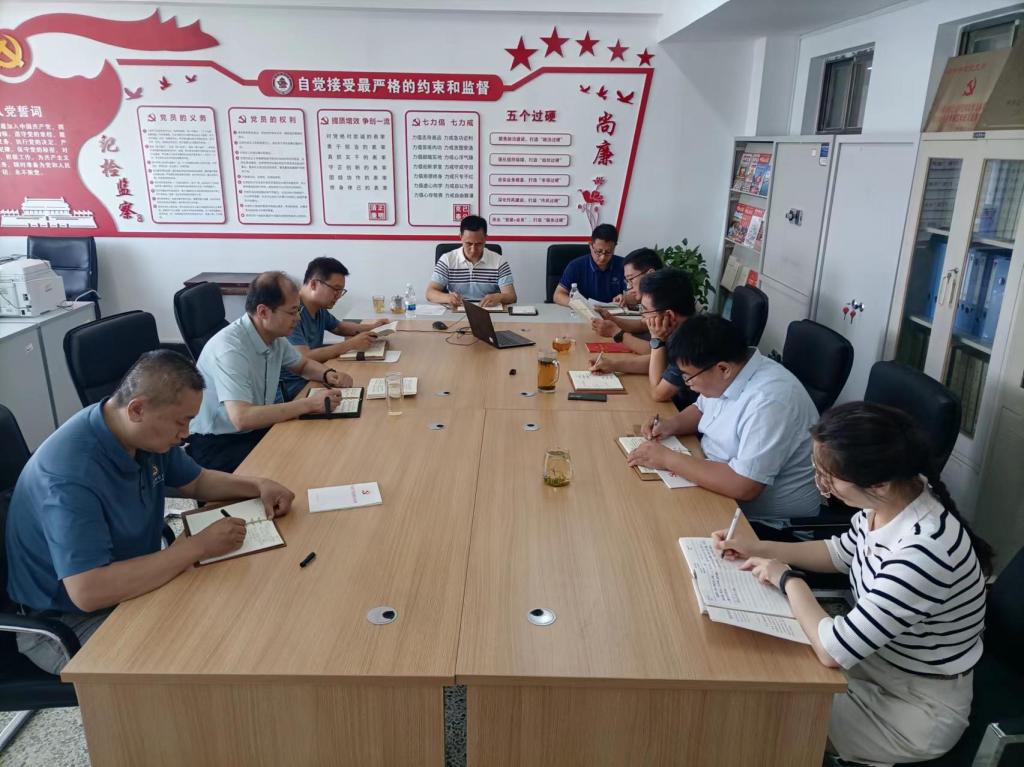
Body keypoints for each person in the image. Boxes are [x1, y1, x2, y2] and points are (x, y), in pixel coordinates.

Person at [714, 402, 992, 767]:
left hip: (910, 709)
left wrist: (788, 579)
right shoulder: (892, 501)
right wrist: (758, 547)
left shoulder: (923, 552)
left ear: (878, 483)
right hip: (873, 663)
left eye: (828, 477)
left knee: (758, 715)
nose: (822, 484)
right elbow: (840, 552)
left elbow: (833, 650)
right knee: (751, 674)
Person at [5, 350, 296, 674]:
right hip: (69, 622)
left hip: (130, 580)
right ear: (137, 409)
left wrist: (257, 485)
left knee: (238, 615)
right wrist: (196, 547)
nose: (186, 433)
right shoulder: (69, 475)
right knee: (202, 662)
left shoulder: (138, 433)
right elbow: (88, 591)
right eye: (181, 421)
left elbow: (196, 481)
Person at [628, 313, 821, 519]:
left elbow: (744, 485)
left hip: (755, 518)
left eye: (689, 377)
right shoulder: (734, 370)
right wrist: (670, 425)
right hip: (712, 472)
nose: (687, 384)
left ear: (723, 369)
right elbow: (702, 408)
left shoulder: (770, 402)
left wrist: (667, 458)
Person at [188, 271, 354, 473]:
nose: (298, 318)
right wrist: (309, 404)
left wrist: (328, 374)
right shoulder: (230, 350)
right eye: (292, 312)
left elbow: (302, 365)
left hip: (254, 428)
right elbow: (242, 418)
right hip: (218, 443)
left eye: (298, 310)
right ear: (263, 311)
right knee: (298, 466)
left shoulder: (273, 336)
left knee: (317, 446)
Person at [280, 257, 389, 401]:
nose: (338, 296)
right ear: (314, 284)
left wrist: (373, 327)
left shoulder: (318, 308)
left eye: (341, 291)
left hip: (316, 376)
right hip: (296, 388)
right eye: (336, 289)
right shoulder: (292, 312)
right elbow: (304, 357)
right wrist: (350, 344)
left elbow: (339, 327)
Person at [590, 267, 696, 407]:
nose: (643, 318)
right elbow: (661, 361)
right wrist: (614, 365)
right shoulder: (681, 328)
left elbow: (658, 393)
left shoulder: (691, 343)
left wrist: (657, 340)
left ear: (669, 315)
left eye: (645, 311)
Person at [426, 215, 516, 308]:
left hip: (488, 310)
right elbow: (430, 293)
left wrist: (499, 297)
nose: (473, 250)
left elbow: (512, 296)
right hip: (457, 310)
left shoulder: (499, 261)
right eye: (468, 243)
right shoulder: (447, 259)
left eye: (478, 244)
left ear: (485, 238)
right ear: (460, 237)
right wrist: (447, 297)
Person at [590, 247, 662, 353]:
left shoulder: (666, 302)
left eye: (631, 279)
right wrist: (610, 318)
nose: (628, 287)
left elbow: (657, 352)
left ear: (650, 274)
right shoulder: (653, 297)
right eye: (627, 281)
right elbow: (643, 325)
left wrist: (617, 333)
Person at [552, 223, 626, 305]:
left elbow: (635, 295)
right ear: (591, 245)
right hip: (585, 310)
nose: (603, 257)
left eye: (608, 252)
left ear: (614, 247)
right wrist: (579, 305)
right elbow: (558, 295)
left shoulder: (624, 265)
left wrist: (626, 298)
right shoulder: (575, 266)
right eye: (599, 251)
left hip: (614, 312)